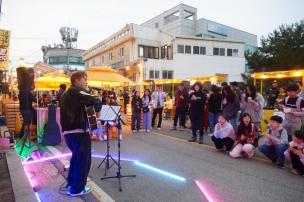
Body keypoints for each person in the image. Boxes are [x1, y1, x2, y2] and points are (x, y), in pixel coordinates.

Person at [60, 71, 102, 196]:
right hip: (78, 131)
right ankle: (77, 189)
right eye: (85, 79)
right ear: (77, 80)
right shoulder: (77, 91)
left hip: (69, 132)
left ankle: (71, 184)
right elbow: (95, 101)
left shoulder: (66, 93)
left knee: (76, 158)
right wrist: (95, 98)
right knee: (84, 160)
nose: (87, 82)